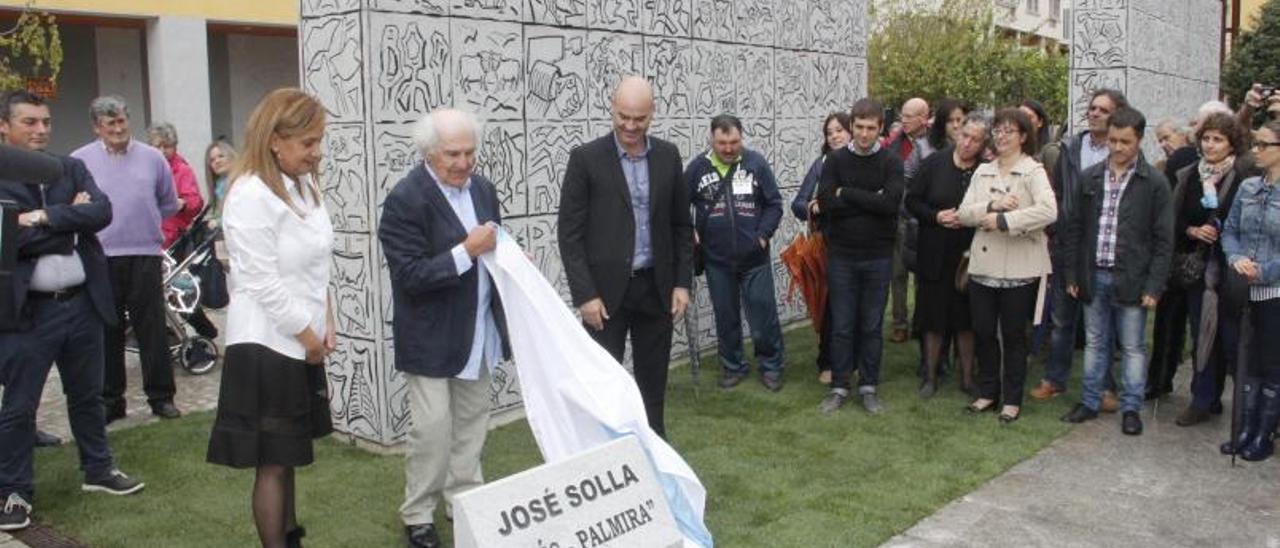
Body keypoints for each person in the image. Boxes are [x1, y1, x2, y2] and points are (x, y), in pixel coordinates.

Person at [0, 90, 144, 533]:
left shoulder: (71, 167)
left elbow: (100, 212)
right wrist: (67, 221)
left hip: (81, 305)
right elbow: (9, 240)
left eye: (45, 121)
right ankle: (13, 492)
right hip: (28, 313)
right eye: (30, 122)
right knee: (20, 407)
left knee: (87, 396)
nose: (42, 129)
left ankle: (98, 470)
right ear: (4, 126)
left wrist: (39, 218)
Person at [206, 88, 335, 548]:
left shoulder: (305, 183)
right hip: (265, 345)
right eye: (308, 143)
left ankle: (291, 536)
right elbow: (260, 281)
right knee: (273, 461)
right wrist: (307, 334)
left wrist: (326, 320)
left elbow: (318, 261)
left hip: (301, 338)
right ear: (275, 139)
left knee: (290, 453)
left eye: (318, 141)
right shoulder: (249, 194)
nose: (316, 151)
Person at [378, 108, 510, 548]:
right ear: (429, 152)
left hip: (477, 332)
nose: (464, 162)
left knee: (473, 423)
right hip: (430, 337)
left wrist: (511, 260)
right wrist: (466, 252)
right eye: (453, 153)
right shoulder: (405, 199)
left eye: (470, 152)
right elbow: (411, 276)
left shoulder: (484, 189)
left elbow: (496, 243)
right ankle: (418, 513)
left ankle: (465, 500)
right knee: (432, 432)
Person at [557, 75, 693, 437]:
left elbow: (682, 225)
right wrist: (584, 294)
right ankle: (604, 458)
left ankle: (656, 459)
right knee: (602, 388)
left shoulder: (668, 155)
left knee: (653, 390)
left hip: (656, 290)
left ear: (653, 114)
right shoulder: (585, 159)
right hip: (603, 298)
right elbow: (569, 234)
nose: (630, 126)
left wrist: (682, 282)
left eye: (640, 118)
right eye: (623, 117)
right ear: (612, 108)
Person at [1060, 107, 1173, 436]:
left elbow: (1163, 240)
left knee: (1133, 345)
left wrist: (1154, 285)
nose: (1118, 148)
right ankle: (1090, 401)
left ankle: (1131, 407)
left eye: (1125, 141)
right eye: (1113, 140)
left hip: (1133, 277)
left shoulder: (1154, 183)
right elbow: (1075, 229)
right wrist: (1072, 275)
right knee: (1095, 342)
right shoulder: (1091, 176)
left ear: (1139, 140)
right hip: (1093, 273)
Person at [71, 95, 181, 422]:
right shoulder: (79, 160)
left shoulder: (152, 158)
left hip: (144, 254)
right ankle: (110, 402)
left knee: (153, 330)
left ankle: (161, 397)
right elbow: (72, 206)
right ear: (97, 127)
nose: (118, 128)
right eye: (110, 123)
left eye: (122, 121)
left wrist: (144, 225)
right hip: (101, 256)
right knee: (108, 330)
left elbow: (167, 201)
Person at [956, 109, 1056, 423]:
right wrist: (992, 205)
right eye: (998, 130)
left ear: (1024, 136)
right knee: (984, 332)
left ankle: (1012, 399)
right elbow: (963, 213)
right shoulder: (983, 171)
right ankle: (988, 392)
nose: (1001, 136)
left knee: (1013, 336)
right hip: (984, 265)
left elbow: (1048, 211)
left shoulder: (1033, 171)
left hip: (1019, 269)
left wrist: (1005, 220)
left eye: (1009, 131)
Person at [1031, 89, 1128, 408]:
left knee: (1100, 323)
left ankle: (1105, 387)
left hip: (1103, 245)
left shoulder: (1122, 152)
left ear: (1116, 115)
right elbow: (1057, 192)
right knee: (1062, 319)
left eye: (1103, 109)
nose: (1095, 113)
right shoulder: (1070, 148)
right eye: (1092, 108)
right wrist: (1056, 226)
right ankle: (1054, 380)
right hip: (1066, 244)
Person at [816, 98, 904, 415]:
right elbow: (825, 201)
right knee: (841, 325)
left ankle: (868, 386)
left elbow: (891, 204)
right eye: (859, 127)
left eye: (871, 128)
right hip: (842, 255)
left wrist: (847, 194)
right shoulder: (836, 161)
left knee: (870, 325)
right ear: (851, 126)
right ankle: (840, 386)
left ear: (881, 128)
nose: (864, 134)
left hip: (878, 256)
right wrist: (870, 200)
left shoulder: (891, 162)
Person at [686, 114, 785, 391]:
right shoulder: (696, 168)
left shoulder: (755, 163)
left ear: (742, 138)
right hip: (717, 260)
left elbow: (774, 204)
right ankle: (733, 366)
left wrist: (763, 236)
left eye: (734, 142)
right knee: (726, 316)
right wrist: (688, 231)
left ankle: (771, 366)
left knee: (764, 316)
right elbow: (677, 205)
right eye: (722, 142)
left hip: (754, 258)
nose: (728, 148)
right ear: (711, 139)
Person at [1173, 113, 1255, 425]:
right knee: (1202, 332)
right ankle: (1202, 398)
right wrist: (1193, 231)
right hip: (1199, 268)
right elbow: (1175, 217)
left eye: (1218, 139)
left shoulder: (1245, 175)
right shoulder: (1190, 175)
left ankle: (1243, 406)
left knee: (1233, 337)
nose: (1210, 145)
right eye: (1206, 138)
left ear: (1231, 143)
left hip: (1234, 268)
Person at [905, 113, 988, 399]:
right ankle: (930, 376)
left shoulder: (985, 171)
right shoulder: (933, 164)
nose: (967, 143)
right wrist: (935, 216)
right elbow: (911, 201)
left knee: (966, 321)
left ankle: (967, 378)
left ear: (983, 143)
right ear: (957, 133)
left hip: (970, 255)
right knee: (933, 319)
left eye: (976, 140)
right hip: (935, 252)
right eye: (965, 136)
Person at [1218, 120, 1280, 461]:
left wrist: (1265, 271)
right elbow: (1230, 230)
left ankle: (1263, 433)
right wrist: (1237, 258)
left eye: (1264, 145)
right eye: (1255, 144)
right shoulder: (1248, 187)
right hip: (1244, 290)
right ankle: (1244, 427)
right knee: (1246, 363)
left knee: (1272, 364)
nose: (1256, 151)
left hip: (1275, 291)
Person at [791, 112, 851, 385]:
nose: (836, 135)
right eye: (830, 132)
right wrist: (814, 206)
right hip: (828, 245)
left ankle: (855, 361)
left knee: (857, 309)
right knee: (830, 307)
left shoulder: (866, 163)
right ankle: (826, 361)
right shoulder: (821, 164)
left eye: (840, 130)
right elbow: (798, 204)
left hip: (860, 245)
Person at [883, 97, 929, 344]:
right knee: (898, 272)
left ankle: (922, 321)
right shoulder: (893, 146)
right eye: (903, 115)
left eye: (909, 116)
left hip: (925, 218)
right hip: (899, 216)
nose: (904, 120)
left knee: (924, 274)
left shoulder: (936, 143)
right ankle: (900, 323)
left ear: (924, 118)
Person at [147, 122, 204, 249]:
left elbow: (196, 202)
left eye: (167, 146)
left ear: (175, 147)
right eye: (157, 146)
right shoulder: (143, 169)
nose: (162, 151)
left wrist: (183, 204)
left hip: (175, 239)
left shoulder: (183, 170)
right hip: (149, 236)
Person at [205, 139, 237, 227]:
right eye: (212, 160)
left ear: (231, 156)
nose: (217, 161)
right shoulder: (219, 185)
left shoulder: (240, 182)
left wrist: (218, 222)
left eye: (221, 156)